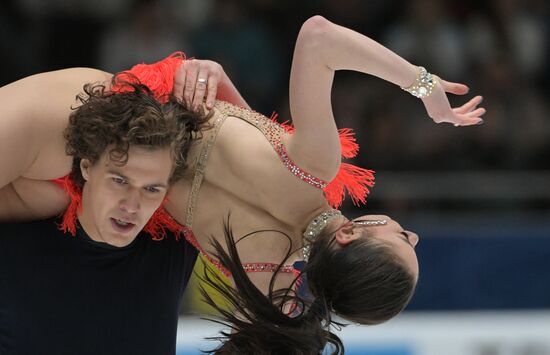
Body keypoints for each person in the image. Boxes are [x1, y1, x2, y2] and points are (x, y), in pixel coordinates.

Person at [0, 16, 486, 354]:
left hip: (89, 125)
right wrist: (217, 80)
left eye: (403, 240)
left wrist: (423, 86)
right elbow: (221, 156)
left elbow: (318, 37)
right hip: (93, 185)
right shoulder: (268, 287)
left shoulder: (314, 166)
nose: (412, 233)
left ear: (349, 235)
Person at [0, 71, 212, 353]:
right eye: (120, 181)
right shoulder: (19, 229)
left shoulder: (172, 241)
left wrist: (216, 80)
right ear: (86, 167)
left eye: (151, 189)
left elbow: (281, 181)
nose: (132, 206)